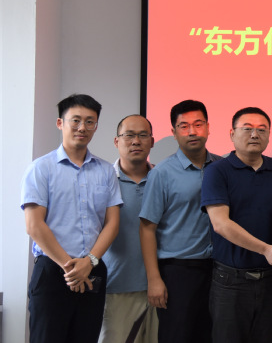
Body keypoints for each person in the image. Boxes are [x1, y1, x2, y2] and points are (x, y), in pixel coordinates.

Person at [21, 94, 123, 343]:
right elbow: (34, 225)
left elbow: (112, 223)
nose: (82, 127)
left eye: (90, 121)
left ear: (96, 126)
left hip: (92, 270)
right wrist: (71, 268)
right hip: (52, 271)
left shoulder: (106, 171)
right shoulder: (41, 168)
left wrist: (89, 262)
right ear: (60, 123)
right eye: (75, 120)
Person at [201, 107, 272, 343]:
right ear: (232, 134)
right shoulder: (216, 171)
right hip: (231, 281)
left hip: (271, 279)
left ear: (269, 135)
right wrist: (264, 249)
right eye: (247, 129)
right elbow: (220, 224)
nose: (255, 134)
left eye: (262, 129)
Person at [139, 99, 221, 343]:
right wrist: (154, 279)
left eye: (198, 124)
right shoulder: (161, 173)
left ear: (208, 127)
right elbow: (147, 228)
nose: (192, 131)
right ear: (174, 132)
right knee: (177, 336)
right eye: (184, 126)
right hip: (178, 271)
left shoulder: (223, 167)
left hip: (219, 270)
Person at [100, 115, 159, 343]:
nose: (136, 141)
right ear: (117, 141)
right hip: (116, 287)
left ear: (152, 141)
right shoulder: (103, 180)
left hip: (161, 288)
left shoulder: (162, 179)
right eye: (129, 135)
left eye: (143, 135)